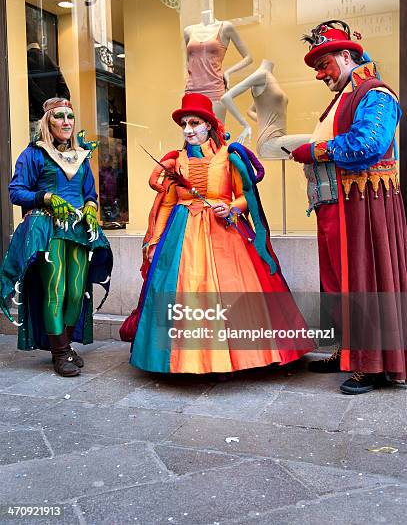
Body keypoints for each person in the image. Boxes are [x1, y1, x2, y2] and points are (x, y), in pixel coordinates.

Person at [121, 92, 314, 374]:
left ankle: (240, 356)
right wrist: (154, 239)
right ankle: (187, 360)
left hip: (225, 232)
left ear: (208, 125)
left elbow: (246, 195)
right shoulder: (176, 161)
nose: (188, 130)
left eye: (194, 123)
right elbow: (169, 202)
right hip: (181, 235)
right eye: (184, 124)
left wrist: (232, 208)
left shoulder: (229, 156)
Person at [290, 20, 407, 394]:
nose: (321, 74)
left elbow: (366, 145)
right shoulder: (345, 96)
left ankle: (371, 365)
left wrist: (315, 150)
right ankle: (347, 352)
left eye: (325, 64)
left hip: (365, 205)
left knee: (364, 278)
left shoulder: (376, 94)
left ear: (346, 55)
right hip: (341, 205)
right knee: (341, 282)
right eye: (317, 68)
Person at [0, 98, 113, 377]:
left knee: (76, 292)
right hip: (48, 227)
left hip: (78, 229)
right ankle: (60, 353)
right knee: (56, 290)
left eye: (70, 117)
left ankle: (66, 345)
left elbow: (90, 194)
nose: (66, 122)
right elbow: (17, 192)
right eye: (59, 116)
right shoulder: (33, 154)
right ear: (48, 121)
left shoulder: (82, 156)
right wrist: (47, 197)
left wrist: (90, 208)